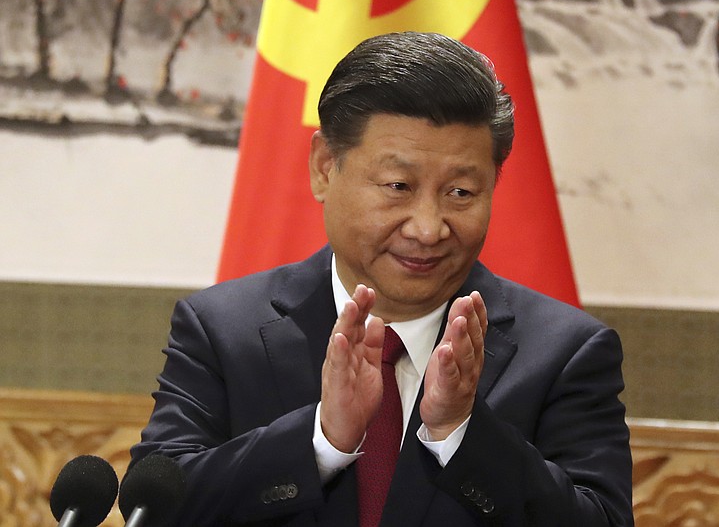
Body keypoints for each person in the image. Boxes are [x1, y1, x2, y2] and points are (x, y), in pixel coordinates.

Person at [130, 31, 633, 526]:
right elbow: (153, 508)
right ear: (326, 167)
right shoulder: (221, 329)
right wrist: (322, 440)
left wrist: (460, 432)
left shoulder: (565, 352)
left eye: (460, 192)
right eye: (398, 186)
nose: (428, 228)